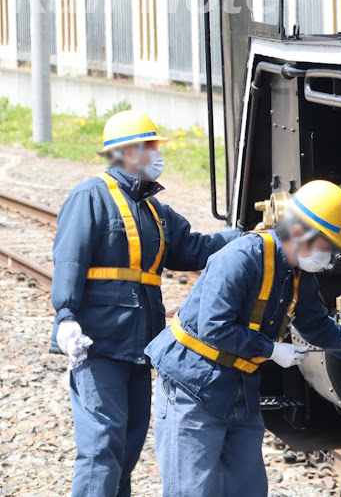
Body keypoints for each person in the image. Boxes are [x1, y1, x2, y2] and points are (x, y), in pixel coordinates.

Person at [50, 110, 242, 497]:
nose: (157, 153)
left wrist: (247, 237)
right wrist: (66, 317)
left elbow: (195, 249)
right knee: (102, 444)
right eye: (151, 146)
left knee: (128, 443)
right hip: (97, 346)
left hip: (139, 347)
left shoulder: (155, 210)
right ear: (127, 152)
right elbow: (69, 259)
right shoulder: (91, 195)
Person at [145, 180, 341, 497]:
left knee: (246, 490)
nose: (330, 256)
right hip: (191, 386)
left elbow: (317, 326)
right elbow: (214, 327)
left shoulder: (298, 275)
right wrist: (271, 349)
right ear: (301, 232)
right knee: (191, 491)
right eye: (328, 245)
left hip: (239, 389)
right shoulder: (240, 258)